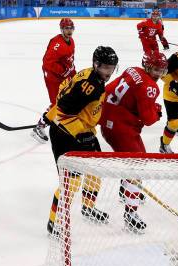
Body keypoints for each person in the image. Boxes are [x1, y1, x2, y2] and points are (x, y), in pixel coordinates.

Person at [44, 46, 119, 234]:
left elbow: (63, 90)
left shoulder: (88, 75)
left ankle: (87, 206)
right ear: (96, 65)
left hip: (83, 130)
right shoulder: (90, 86)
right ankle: (55, 222)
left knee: (95, 171)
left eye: (111, 68)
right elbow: (63, 111)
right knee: (71, 183)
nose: (108, 72)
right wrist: (79, 132)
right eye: (105, 68)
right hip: (65, 134)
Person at [100, 51, 168, 233]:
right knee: (137, 166)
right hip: (121, 128)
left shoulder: (133, 70)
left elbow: (108, 91)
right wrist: (156, 111)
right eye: (155, 70)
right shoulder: (150, 87)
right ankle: (130, 214)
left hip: (108, 120)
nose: (158, 74)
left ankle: (125, 190)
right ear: (147, 66)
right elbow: (148, 119)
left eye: (161, 70)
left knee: (136, 161)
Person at [32, 18, 76, 143]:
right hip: (52, 76)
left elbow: (70, 62)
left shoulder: (71, 41)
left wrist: (74, 75)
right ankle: (39, 126)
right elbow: (47, 63)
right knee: (57, 103)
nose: (69, 31)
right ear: (62, 29)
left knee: (69, 98)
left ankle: (58, 119)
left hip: (63, 75)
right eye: (66, 28)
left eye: (71, 28)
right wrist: (63, 71)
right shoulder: (57, 44)